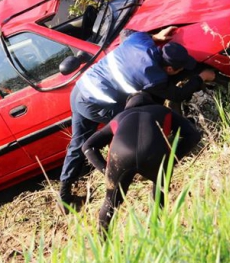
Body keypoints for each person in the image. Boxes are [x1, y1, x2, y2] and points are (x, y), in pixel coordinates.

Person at [58, 28, 215, 204]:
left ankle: (64, 196)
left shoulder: (140, 41)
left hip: (80, 90)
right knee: (133, 124)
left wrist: (155, 36)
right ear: (170, 68)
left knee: (77, 143)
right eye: (180, 69)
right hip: (95, 103)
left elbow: (126, 32)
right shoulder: (152, 76)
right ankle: (137, 168)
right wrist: (201, 77)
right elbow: (178, 95)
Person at [81, 92, 201, 231]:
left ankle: (102, 245)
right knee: (159, 198)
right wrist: (172, 159)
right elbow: (193, 135)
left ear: (128, 105)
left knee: (110, 203)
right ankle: (157, 234)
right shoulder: (163, 111)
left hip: (121, 156)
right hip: (154, 154)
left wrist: (105, 170)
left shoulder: (119, 117)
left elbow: (88, 146)